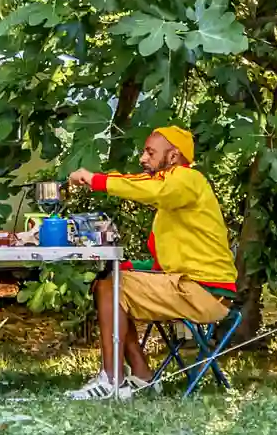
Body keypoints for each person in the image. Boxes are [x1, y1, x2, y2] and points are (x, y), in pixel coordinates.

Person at [66, 126, 236, 399]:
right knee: (110, 283)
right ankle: (141, 376)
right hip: (191, 286)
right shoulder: (174, 193)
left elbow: (149, 188)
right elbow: (167, 264)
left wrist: (95, 180)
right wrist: (131, 267)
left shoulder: (186, 178)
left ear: (173, 156)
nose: (143, 158)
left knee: (110, 287)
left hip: (204, 292)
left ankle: (111, 380)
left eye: (150, 152)